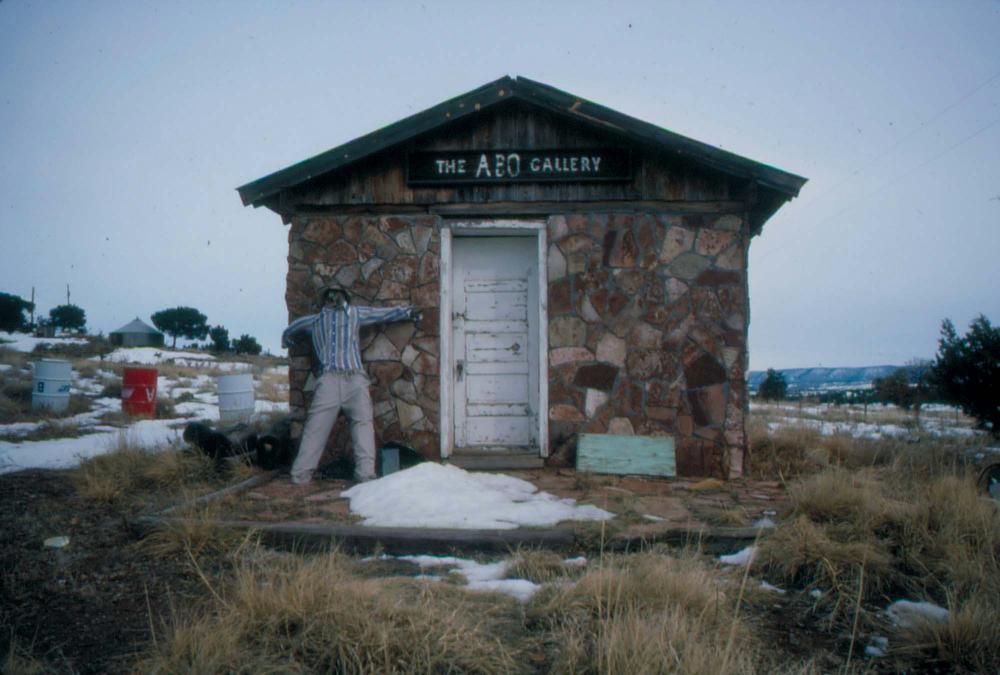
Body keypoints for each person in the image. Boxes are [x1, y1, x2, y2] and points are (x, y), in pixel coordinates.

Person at [282, 286, 420, 484]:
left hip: (355, 379)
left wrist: (408, 312)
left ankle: (365, 475)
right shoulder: (314, 321)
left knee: (363, 424)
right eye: (330, 296)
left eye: (337, 295)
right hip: (329, 379)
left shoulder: (355, 313)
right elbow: (290, 330)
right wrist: (287, 342)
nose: (334, 299)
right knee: (316, 427)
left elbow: (382, 314)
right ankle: (300, 475)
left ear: (344, 297)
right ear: (325, 299)